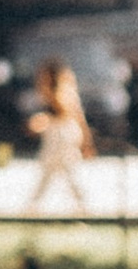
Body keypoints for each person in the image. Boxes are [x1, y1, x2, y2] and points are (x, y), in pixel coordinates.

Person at [25, 60, 92, 213]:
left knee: (67, 171)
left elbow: (67, 114)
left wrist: (86, 143)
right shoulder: (49, 91)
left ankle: (83, 207)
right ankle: (33, 206)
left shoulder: (62, 90)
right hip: (56, 134)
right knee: (50, 172)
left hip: (63, 135)